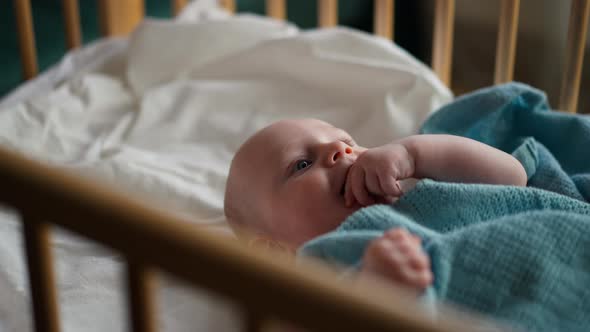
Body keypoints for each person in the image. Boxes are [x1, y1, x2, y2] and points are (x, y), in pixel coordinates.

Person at [224, 118, 527, 292]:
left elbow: (513, 178)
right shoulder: (312, 285)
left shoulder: (418, 199)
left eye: (348, 141)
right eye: (302, 164)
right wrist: (377, 290)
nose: (340, 149)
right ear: (273, 252)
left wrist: (412, 155)